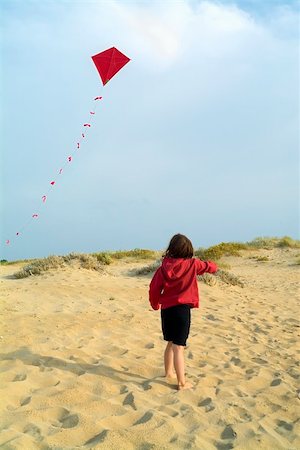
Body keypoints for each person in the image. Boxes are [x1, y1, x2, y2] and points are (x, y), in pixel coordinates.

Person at [149, 233, 218, 390]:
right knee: (179, 347)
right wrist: (214, 267)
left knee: (170, 342)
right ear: (188, 250)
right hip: (182, 310)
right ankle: (182, 383)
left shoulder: (163, 268)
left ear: (171, 249)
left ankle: (168, 373)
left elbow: (154, 288)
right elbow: (208, 266)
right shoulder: (192, 264)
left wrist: (155, 304)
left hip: (167, 310)